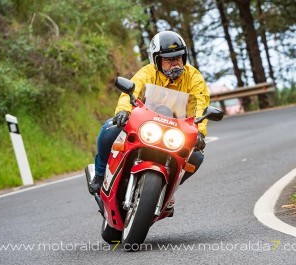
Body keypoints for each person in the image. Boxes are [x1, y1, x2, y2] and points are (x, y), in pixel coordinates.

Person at [88, 30, 209, 195]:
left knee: (197, 157)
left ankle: (167, 191)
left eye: (178, 58)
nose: (175, 63)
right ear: (156, 60)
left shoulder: (195, 77)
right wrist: (123, 111)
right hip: (144, 124)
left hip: (176, 130)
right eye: (168, 60)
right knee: (109, 129)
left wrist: (200, 132)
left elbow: (201, 105)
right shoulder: (147, 72)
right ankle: (100, 175)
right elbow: (131, 91)